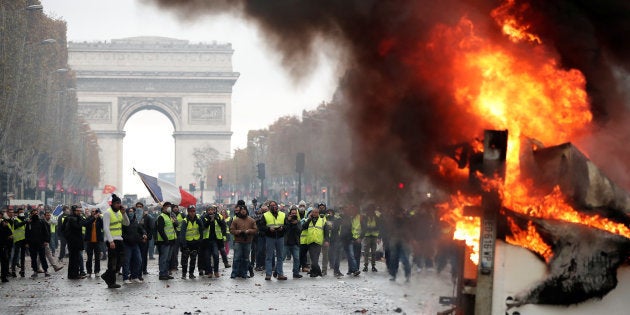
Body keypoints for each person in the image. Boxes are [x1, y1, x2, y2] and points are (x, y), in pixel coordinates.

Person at [101, 194, 130, 288]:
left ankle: (106, 275)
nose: (119, 205)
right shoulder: (107, 213)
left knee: (120, 260)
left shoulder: (119, 213)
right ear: (112, 204)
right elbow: (106, 228)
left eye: (119, 203)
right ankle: (111, 282)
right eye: (117, 203)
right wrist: (110, 241)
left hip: (119, 239)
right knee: (112, 262)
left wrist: (124, 213)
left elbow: (127, 223)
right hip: (112, 240)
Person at [260, 200, 288, 280]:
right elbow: (261, 226)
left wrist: (282, 228)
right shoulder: (265, 215)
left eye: (275, 205)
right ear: (269, 207)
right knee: (269, 256)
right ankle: (268, 274)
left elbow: (287, 225)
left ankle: (280, 274)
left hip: (280, 237)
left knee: (280, 257)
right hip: (270, 237)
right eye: (272, 205)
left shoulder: (283, 215)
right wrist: (268, 229)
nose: (274, 207)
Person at [229, 202, 257, 279]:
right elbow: (231, 230)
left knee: (246, 258)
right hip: (238, 241)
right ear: (240, 211)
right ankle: (234, 273)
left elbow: (255, 230)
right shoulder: (236, 220)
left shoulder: (251, 220)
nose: (243, 211)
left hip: (248, 241)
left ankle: (244, 273)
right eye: (242, 210)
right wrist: (238, 232)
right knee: (236, 258)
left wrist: (249, 231)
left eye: (244, 209)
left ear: (246, 211)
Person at [302, 207, 330, 277]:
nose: (314, 214)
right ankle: (314, 272)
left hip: (318, 242)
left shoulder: (322, 221)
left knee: (315, 259)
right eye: (313, 212)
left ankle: (317, 272)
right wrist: (309, 219)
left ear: (318, 213)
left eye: (316, 212)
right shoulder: (309, 220)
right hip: (310, 241)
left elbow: (326, 232)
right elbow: (304, 227)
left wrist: (326, 240)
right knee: (313, 258)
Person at [122, 207, 146, 284]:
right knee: (127, 261)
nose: (131, 213)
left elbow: (141, 229)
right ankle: (125, 278)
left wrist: (144, 234)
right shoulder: (124, 223)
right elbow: (122, 234)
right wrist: (129, 239)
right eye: (129, 211)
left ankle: (134, 276)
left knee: (139, 260)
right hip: (127, 245)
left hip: (135, 245)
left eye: (132, 211)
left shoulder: (136, 222)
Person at [200, 205, 225, 278]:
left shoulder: (218, 216)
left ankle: (216, 271)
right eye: (209, 210)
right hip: (206, 240)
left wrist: (217, 219)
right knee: (207, 257)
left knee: (216, 255)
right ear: (207, 211)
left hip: (216, 240)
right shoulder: (203, 217)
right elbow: (203, 227)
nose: (211, 211)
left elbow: (223, 225)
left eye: (212, 210)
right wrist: (209, 221)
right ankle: (209, 272)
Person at [25, 209, 51, 278]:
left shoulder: (41, 221)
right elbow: (27, 233)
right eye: (33, 213)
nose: (35, 215)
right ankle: (35, 271)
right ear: (31, 214)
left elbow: (46, 232)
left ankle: (46, 270)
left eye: (36, 213)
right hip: (32, 243)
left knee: (42, 257)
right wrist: (27, 242)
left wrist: (46, 241)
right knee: (33, 258)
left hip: (40, 242)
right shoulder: (29, 222)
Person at [180, 205, 203, 279]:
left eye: (194, 211)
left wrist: (200, 241)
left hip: (195, 243)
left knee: (193, 259)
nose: (192, 213)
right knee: (185, 260)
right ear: (188, 212)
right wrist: (184, 245)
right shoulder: (185, 221)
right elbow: (182, 234)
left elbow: (202, 230)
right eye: (191, 211)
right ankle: (184, 274)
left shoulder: (198, 219)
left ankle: (191, 273)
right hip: (187, 243)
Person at [156, 202, 177, 280]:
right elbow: (160, 230)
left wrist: (175, 221)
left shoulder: (170, 216)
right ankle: (162, 274)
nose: (169, 208)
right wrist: (166, 239)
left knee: (168, 259)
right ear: (164, 207)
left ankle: (166, 273)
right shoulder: (161, 217)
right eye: (168, 206)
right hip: (164, 242)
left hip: (171, 240)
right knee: (163, 259)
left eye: (170, 206)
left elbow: (174, 226)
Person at [66, 205, 86, 280]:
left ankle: (74, 274)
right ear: (74, 211)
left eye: (80, 211)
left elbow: (85, 223)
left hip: (76, 242)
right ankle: (73, 275)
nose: (79, 212)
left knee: (76, 259)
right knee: (73, 259)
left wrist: (93, 217)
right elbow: (78, 226)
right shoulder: (71, 218)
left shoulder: (77, 218)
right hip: (73, 242)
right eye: (77, 211)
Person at [83, 208, 103, 278]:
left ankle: (97, 271)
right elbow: (85, 224)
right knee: (89, 257)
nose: (94, 212)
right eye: (93, 211)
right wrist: (93, 218)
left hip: (97, 241)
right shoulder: (89, 218)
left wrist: (99, 217)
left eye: (95, 211)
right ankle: (89, 271)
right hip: (89, 241)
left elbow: (103, 226)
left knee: (97, 257)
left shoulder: (99, 219)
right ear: (91, 212)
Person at [362, 204, 381, 272]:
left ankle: (373, 266)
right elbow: (364, 227)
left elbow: (379, 227)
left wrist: (379, 237)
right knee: (366, 252)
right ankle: (366, 266)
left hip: (374, 236)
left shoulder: (376, 218)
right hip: (367, 236)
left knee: (373, 252)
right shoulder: (365, 218)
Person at [285, 207, 302, 278]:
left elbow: (299, 231)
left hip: (295, 243)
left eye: (295, 213)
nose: (294, 215)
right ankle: (277, 271)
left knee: (297, 258)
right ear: (289, 214)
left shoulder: (298, 222)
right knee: (281, 258)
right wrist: (289, 222)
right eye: (292, 213)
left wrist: (295, 224)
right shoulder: (286, 220)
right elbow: (284, 229)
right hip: (286, 242)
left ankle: (295, 273)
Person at [10, 207, 27, 278]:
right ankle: (13, 270)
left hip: (24, 240)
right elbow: (17, 226)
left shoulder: (25, 219)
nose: (21, 213)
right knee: (16, 255)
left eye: (22, 211)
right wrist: (25, 222)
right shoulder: (16, 220)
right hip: (17, 240)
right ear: (18, 213)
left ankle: (22, 270)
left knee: (23, 256)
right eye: (20, 212)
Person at [137, 202, 153, 275]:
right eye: (138, 207)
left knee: (144, 255)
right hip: (136, 239)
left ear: (143, 208)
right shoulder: (134, 217)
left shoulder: (147, 217)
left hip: (144, 239)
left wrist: (147, 238)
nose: (139, 208)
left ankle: (144, 269)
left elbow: (150, 229)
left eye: (140, 206)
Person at [169, 204, 183, 272]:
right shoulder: (170, 215)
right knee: (175, 251)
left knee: (184, 251)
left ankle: (184, 264)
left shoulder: (182, 215)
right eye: (174, 207)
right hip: (174, 234)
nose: (175, 208)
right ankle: (175, 265)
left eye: (176, 207)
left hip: (182, 234)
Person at [0, 216, 12, 282]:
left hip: (4, 247)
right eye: (5, 222)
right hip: (2, 246)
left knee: (4, 262)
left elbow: (10, 235)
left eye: (7, 222)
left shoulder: (6, 228)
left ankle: (3, 277)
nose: (6, 223)